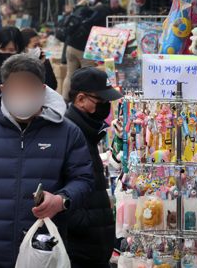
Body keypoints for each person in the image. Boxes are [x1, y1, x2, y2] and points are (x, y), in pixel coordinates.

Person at [0, 54, 94, 267]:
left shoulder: (67, 132)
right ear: (3, 90)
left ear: (42, 89)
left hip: (44, 249)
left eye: (28, 87)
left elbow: (84, 180)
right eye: (16, 87)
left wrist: (61, 201)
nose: (22, 94)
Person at [65, 67, 123, 268]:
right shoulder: (70, 135)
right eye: (101, 102)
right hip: (80, 250)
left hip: (93, 247)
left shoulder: (88, 131)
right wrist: (85, 223)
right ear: (81, 99)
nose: (106, 107)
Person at [62, 0, 112, 101]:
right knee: (88, 77)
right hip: (84, 49)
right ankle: (86, 101)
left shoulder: (82, 10)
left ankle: (65, 99)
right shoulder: (103, 12)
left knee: (69, 74)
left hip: (70, 46)